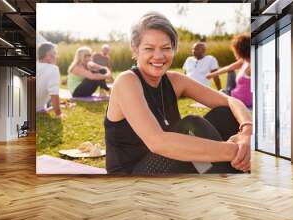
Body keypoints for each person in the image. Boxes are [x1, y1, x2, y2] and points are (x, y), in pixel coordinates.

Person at [104, 12, 252, 175]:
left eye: (166, 48)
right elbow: (158, 142)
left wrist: (246, 132)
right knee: (193, 125)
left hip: (171, 166)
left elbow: (231, 101)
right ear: (135, 49)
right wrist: (235, 151)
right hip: (132, 179)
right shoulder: (127, 81)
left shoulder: (175, 81)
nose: (159, 56)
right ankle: (234, 182)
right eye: (149, 48)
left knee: (224, 115)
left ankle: (230, 176)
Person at [206, 33, 252, 109]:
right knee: (231, 70)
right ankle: (223, 92)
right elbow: (228, 68)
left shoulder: (251, 65)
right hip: (241, 98)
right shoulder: (245, 61)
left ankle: (223, 92)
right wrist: (212, 75)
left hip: (237, 100)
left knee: (220, 93)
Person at [36, 42, 63, 119]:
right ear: (48, 54)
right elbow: (54, 94)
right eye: (54, 53)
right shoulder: (53, 69)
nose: (56, 56)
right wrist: (59, 114)